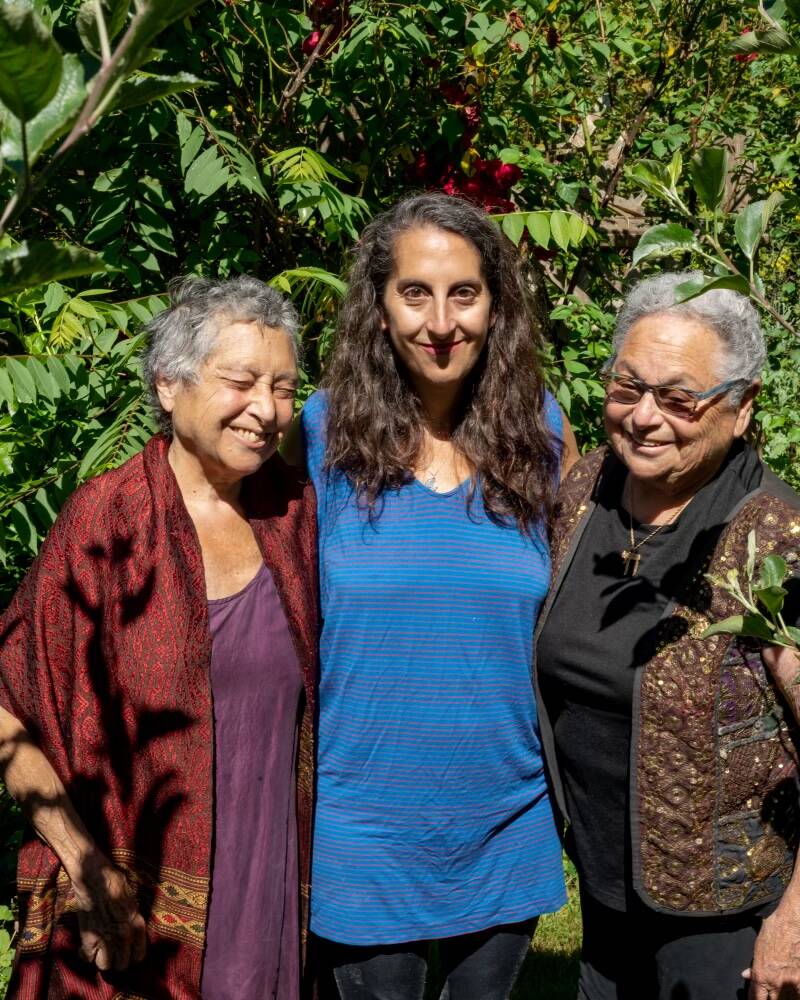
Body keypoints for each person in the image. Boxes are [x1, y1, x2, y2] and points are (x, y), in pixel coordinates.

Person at [0, 276, 318, 999]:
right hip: (128, 905)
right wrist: (84, 864)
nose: (266, 410)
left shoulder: (294, 514)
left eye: (284, 388)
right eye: (240, 381)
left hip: (265, 885)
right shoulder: (107, 522)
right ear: (169, 384)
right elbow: (7, 706)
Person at [297, 192, 579, 1000]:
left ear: (496, 309)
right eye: (415, 293)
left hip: (504, 816)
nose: (441, 320)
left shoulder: (541, 433)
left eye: (465, 293)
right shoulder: (320, 434)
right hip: (364, 824)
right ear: (379, 310)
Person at [535, 271, 800, 1000]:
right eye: (628, 388)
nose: (645, 417)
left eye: (680, 398)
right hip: (603, 885)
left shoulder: (777, 541)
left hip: (727, 916)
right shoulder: (585, 494)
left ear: (742, 408)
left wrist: (795, 922)